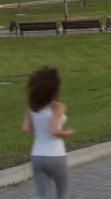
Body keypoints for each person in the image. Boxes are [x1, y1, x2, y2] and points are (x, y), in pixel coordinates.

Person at [23, 66, 73, 199]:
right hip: (56, 155)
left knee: (41, 194)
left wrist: (40, 129)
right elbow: (54, 130)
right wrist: (67, 133)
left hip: (37, 156)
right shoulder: (58, 107)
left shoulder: (32, 108)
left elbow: (26, 128)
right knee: (63, 193)